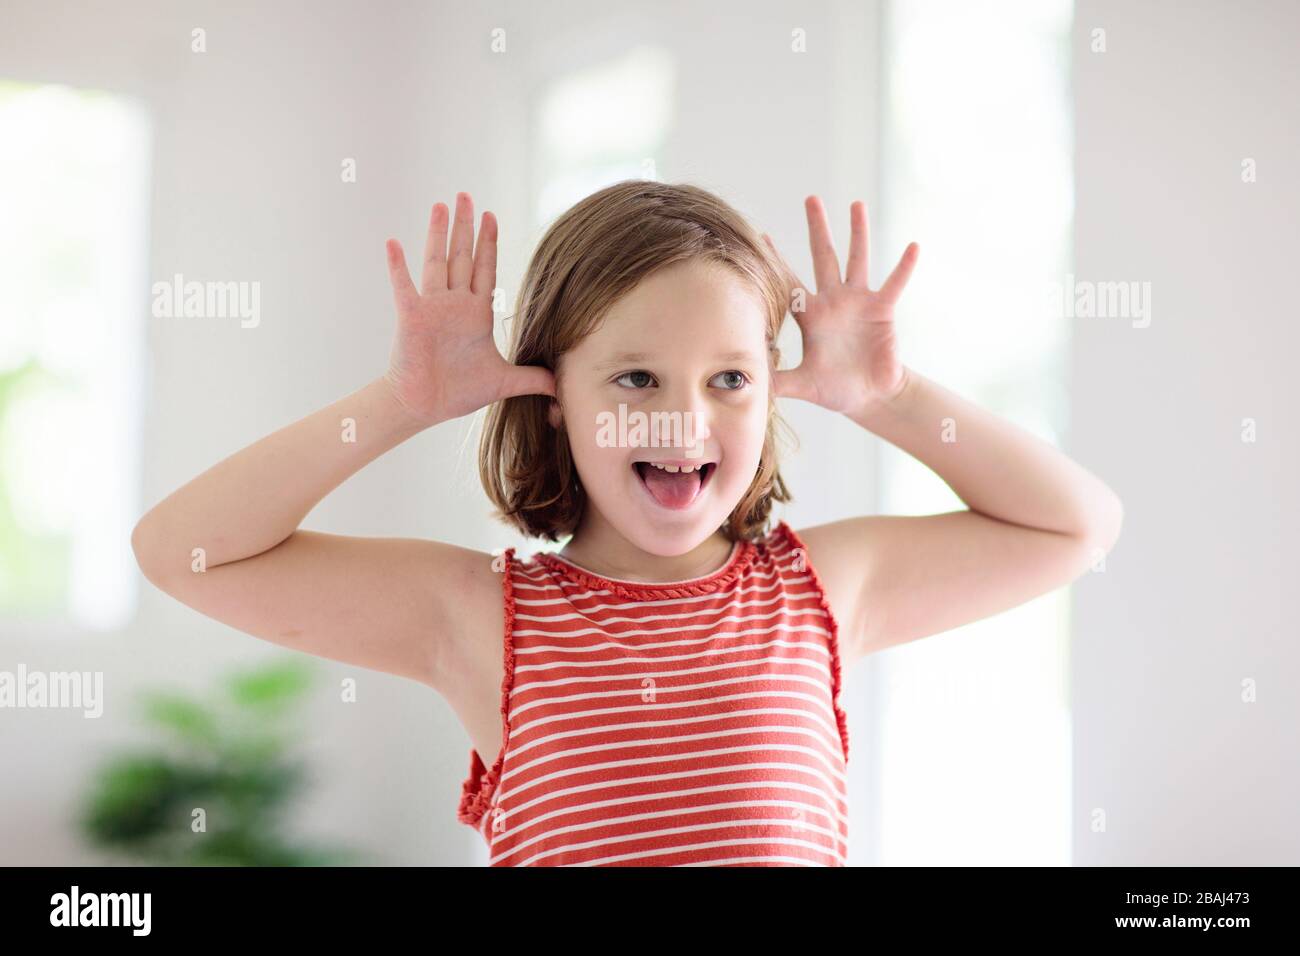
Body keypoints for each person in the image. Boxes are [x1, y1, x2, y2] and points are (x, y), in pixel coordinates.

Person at [132, 181, 1122, 866]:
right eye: (635, 375)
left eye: (729, 377)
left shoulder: (820, 590)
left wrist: (891, 396)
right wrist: (403, 400)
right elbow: (182, 551)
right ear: (553, 391)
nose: (681, 421)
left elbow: (1077, 526)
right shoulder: (483, 619)